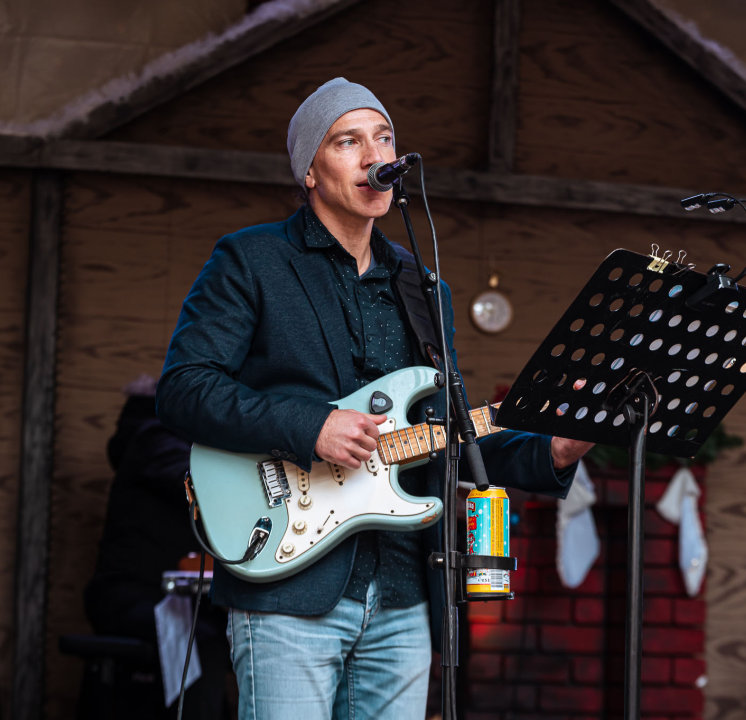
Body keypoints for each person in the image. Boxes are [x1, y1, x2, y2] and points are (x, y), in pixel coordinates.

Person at [156, 78, 593, 720]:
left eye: (383, 138)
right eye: (348, 140)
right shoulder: (252, 260)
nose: (373, 154)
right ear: (310, 169)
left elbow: (448, 435)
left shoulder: (424, 287)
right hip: (286, 583)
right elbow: (184, 389)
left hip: (404, 593)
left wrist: (552, 450)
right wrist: (312, 426)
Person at [85, 374, 230, 720]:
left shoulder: (158, 439)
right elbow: (202, 486)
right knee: (203, 639)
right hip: (129, 595)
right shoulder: (152, 438)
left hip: (170, 597)